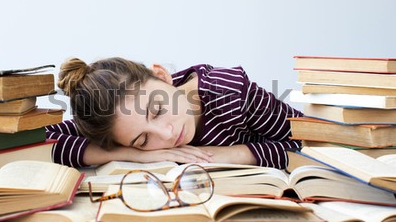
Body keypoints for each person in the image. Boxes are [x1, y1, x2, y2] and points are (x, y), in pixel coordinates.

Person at [46, 57, 303, 169]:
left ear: (162, 76)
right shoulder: (116, 121)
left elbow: (310, 142)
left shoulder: (230, 93)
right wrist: (132, 154)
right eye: (143, 140)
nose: (167, 135)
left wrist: (229, 154)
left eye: (157, 110)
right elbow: (40, 141)